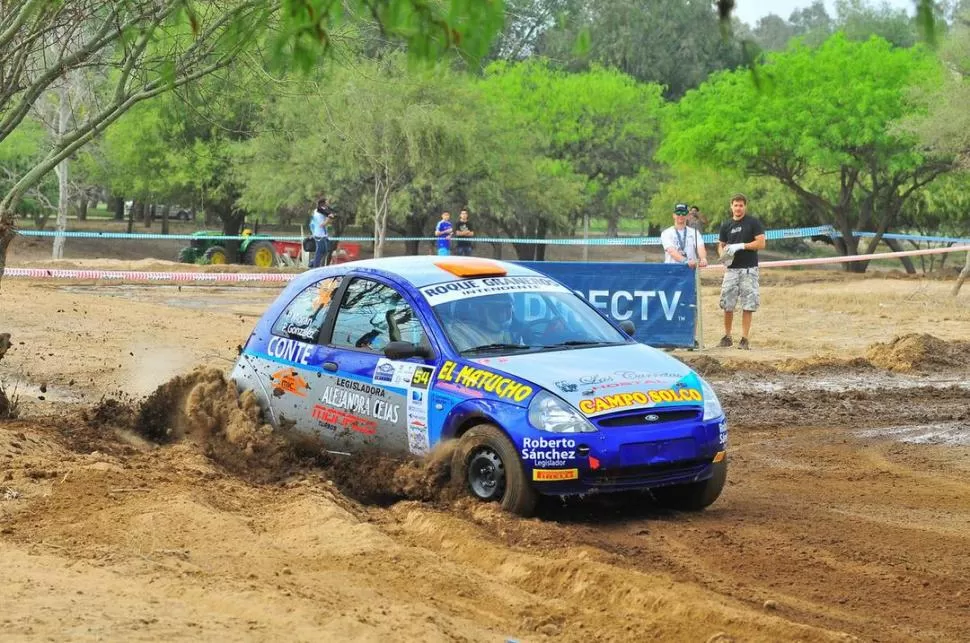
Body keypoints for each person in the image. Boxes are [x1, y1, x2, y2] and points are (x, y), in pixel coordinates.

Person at [717, 193, 766, 350]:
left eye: (741, 205)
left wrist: (742, 246)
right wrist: (724, 255)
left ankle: (744, 339)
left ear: (745, 206)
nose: (738, 208)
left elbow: (761, 243)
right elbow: (721, 244)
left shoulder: (753, 223)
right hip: (731, 270)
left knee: (748, 304)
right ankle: (727, 336)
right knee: (727, 304)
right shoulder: (726, 225)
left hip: (748, 270)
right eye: (735, 205)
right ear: (731, 206)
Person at [661, 203, 707, 268]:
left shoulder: (695, 232)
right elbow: (671, 251)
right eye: (678, 212)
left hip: (690, 270)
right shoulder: (666, 233)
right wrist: (685, 261)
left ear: (688, 216)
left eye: (684, 213)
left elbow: (701, 247)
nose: (681, 215)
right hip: (671, 270)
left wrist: (703, 259)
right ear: (673, 215)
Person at [309, 198, 336, 268]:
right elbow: (323, 223)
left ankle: (313, 263)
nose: (328, 203)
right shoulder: (320, 211)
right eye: (327, 202)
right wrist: (328, 219)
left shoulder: (318, 210)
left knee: (324, 250)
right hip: (320, 234)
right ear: (323, 203)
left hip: (320, 234)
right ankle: (314, 266)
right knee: (320, 251)